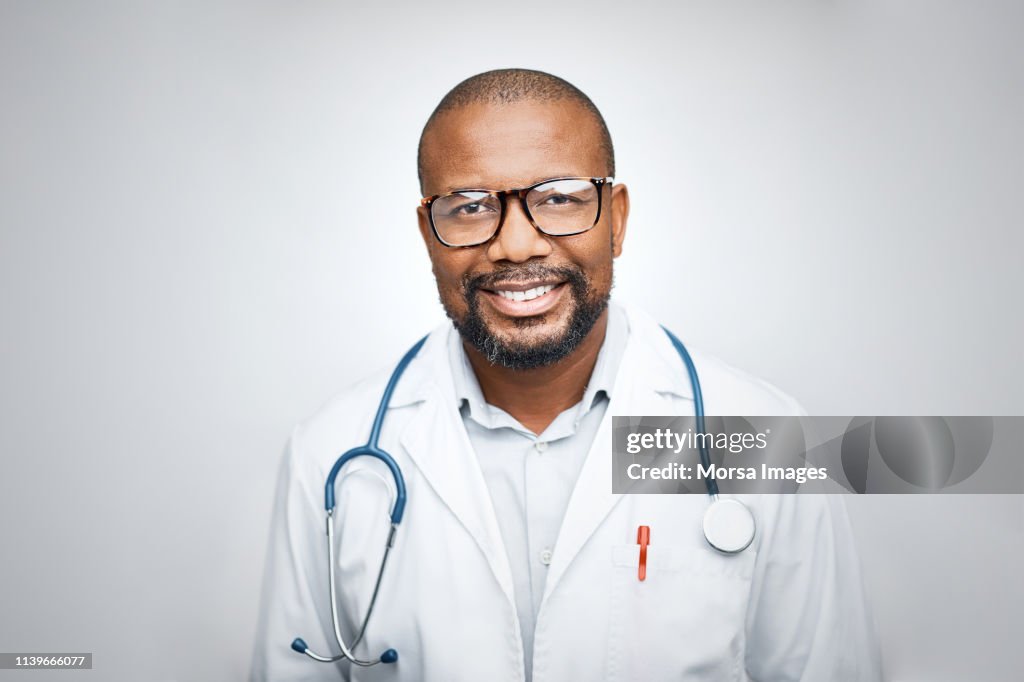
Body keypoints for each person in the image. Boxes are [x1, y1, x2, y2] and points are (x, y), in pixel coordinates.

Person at [251, 68, 882, 681]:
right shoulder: (330, 453)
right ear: (428, 234)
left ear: (618, 219)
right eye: (469, 207)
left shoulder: (769, 436)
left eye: (558, 199)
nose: (517, 246)